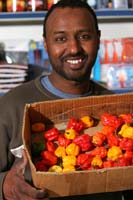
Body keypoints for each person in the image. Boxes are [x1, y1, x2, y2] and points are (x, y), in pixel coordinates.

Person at [0, 0, 130, 199]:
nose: (74, 48)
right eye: (60, 39)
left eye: (84, 36)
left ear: (98, 39)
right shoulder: (11, 106)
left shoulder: (118, 111)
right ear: (46, 44)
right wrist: (4, 186)